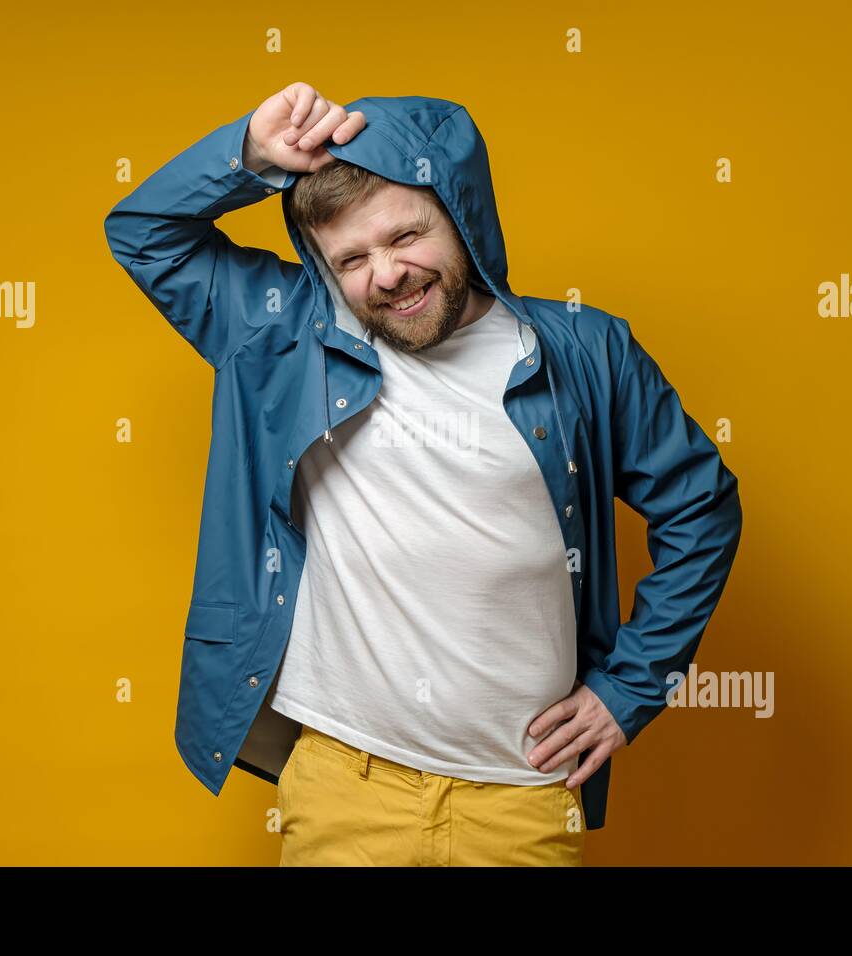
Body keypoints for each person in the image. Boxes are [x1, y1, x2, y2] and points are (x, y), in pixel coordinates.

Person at [103, 82, 743, 866]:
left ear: (461, 213)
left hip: (521, 792)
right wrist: (249, 152)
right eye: (351, 259)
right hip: (345, 783)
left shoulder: (586, 352)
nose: (386, 275)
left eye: (406, 236)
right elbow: (144, 233)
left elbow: (701, 509)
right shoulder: (283, 333)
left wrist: (629, 689)